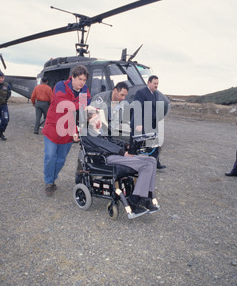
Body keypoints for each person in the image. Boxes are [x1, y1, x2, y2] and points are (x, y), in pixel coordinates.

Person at [81, 109, 160, 214]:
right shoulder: (86, 132)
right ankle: (135, 199)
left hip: (114, 155)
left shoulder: (100, 129)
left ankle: (146, 196)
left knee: (152, 160)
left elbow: (112, 140)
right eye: (96, 118)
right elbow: (104, 144)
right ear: (88, 119)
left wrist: (126, 145)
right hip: (105, 158)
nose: (98, 120)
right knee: (146, 164)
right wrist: (122, 152)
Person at [42, 65, 91, 196]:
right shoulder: (61, 86)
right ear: (73, 77)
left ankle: (52, 178)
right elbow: (62, 104)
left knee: (61, 159)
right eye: (80, 79)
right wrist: (81, 105)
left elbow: (85, 108)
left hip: (69, 128)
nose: (82, 83)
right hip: (53, 126)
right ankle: (49, 182)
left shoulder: (84, 90)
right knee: (50, 156)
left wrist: (77, 130)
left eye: (84, 80)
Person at [131, 75, 167, 169]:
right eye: (154, 83)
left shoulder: (156, 94)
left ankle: (155, 162)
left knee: (155, 143)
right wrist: (139, 124)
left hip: (151, 123)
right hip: (140, 124)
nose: (156, 85)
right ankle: (132, 163)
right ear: (149, 83)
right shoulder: (141, 93)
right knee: (135, 145)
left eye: (157, 84)